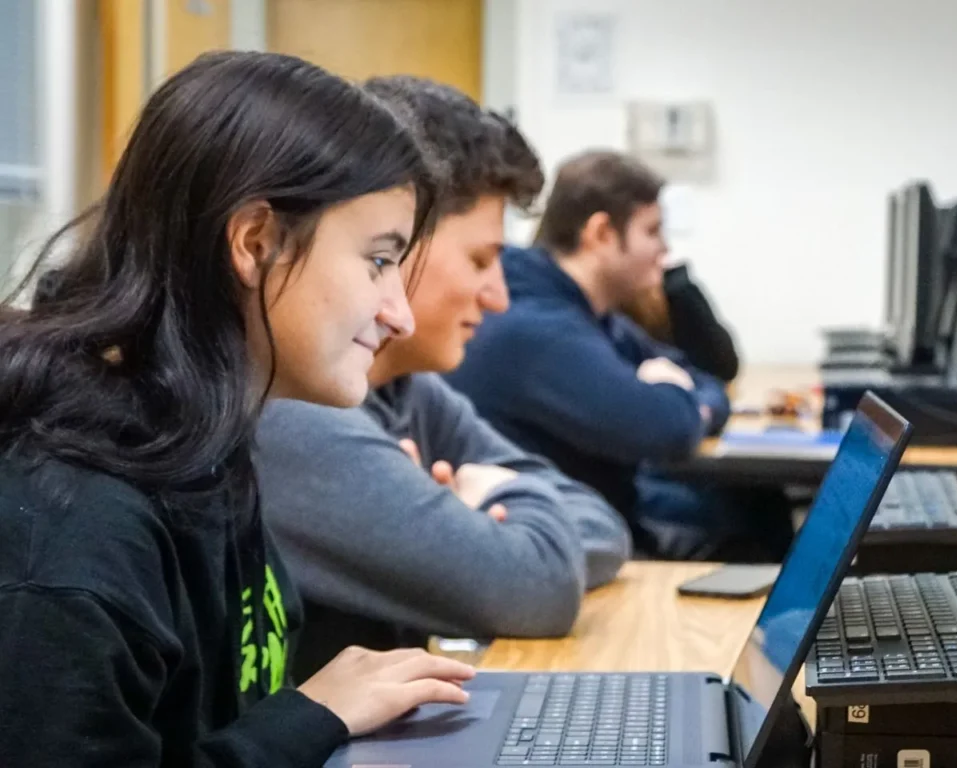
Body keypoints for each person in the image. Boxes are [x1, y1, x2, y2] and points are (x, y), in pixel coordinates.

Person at [0, 52, 475, 766]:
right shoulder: (78, 530)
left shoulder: (199, 441)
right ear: (255, 242)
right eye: (378, 261)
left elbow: (219, 704)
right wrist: (310, 717)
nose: (400, 316)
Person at [257, 78, 631, 681]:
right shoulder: (288, 413)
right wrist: (487, 532)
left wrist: (472, 520)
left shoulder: (407, 388)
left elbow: (599, 524)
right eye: (481, 260)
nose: (500, 297)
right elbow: (538, 585)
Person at [446, 150, 794, 562]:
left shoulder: (584, 309)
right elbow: (669, 427)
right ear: (602, 234)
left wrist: (678, 393)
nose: (664, 249)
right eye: (652, 231)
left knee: (755, 504)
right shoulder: (539, 328)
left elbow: (704, 379)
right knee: (750, 523)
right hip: (568, 540)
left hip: (599, 515)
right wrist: (680, 399)